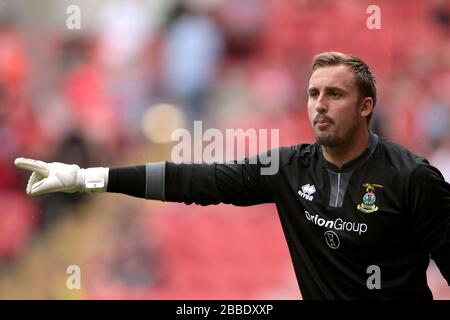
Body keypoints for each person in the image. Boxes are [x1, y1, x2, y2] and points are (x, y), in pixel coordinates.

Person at [15, 52, 450, 299]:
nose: (319, 104)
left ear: (365, 106)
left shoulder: (412, 178)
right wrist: (87, 176)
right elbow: (193, 181)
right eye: (313, 93)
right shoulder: (288, 169)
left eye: (334, 94)